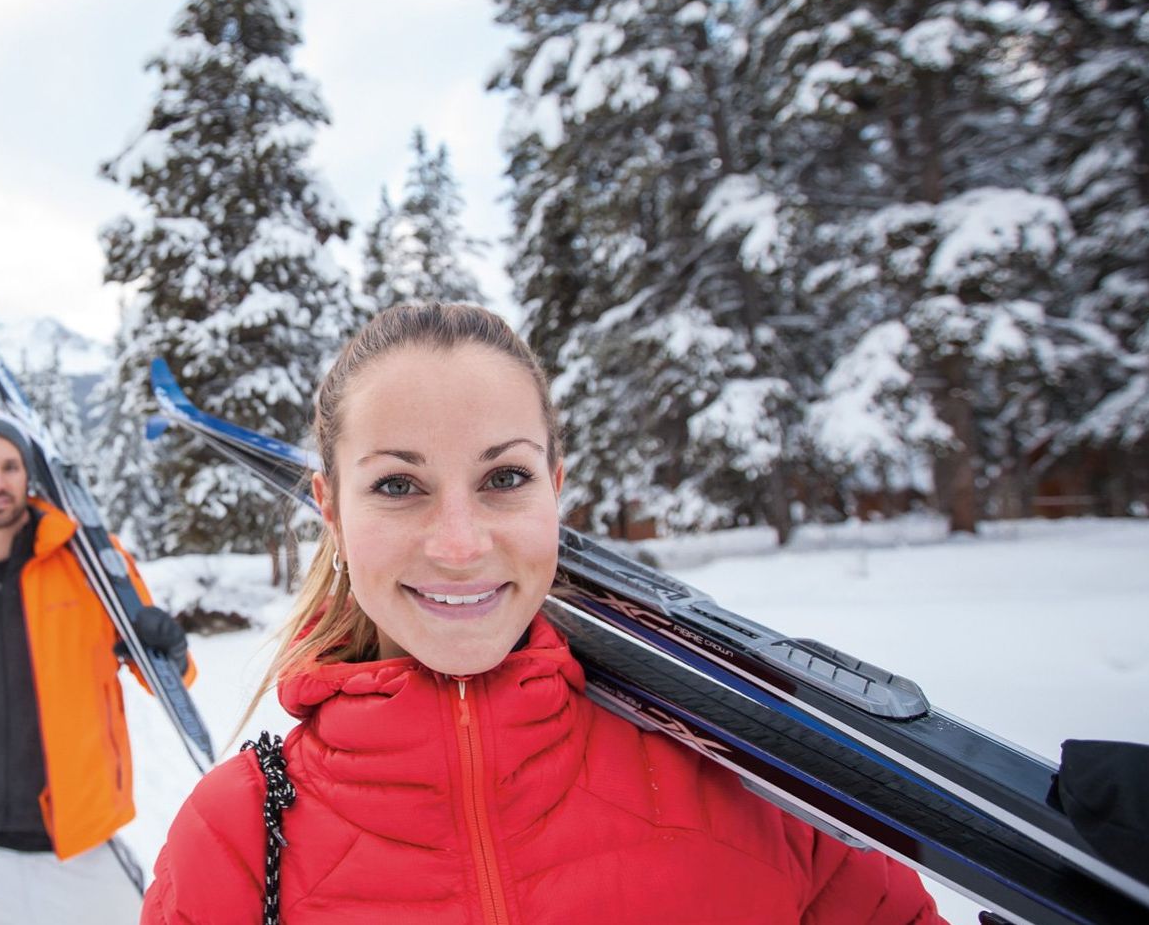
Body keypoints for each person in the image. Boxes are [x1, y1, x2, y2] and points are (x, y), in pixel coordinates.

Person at [142, 303, 945, 924]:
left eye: (504, 479)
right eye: (397, 485)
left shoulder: (758, 779)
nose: (459, 545)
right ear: (331, 510)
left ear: (555, 486)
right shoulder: (235, 840)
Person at [0, 409, 194, 925]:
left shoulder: (92, 563)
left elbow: (166, 681)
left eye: (9, 466)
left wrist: (171, 652)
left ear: (28, 476)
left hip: (78, 848)